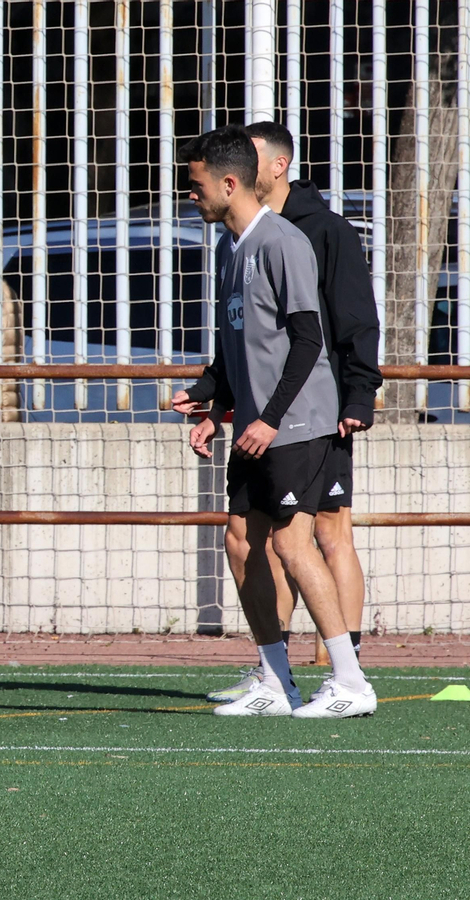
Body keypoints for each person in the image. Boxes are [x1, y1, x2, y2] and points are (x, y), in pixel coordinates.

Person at [179, 121, 383, 703]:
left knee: (296, 545)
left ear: (227, 183)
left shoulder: (285, 242)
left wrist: (273, 416)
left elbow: (308, 338)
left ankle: (350, 679)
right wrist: (212, 404)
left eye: (195, 186)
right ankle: (275, 678)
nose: (190, 197)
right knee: (241, 543)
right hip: (254, 424)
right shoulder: (229, 248)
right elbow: (240, 346)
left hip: (295, 423)